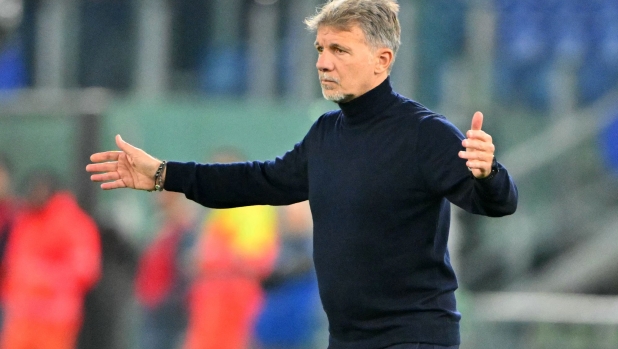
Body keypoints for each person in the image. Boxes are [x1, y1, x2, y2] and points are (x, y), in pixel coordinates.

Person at [86, 1, 518, 348]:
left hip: (414, 338)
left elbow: (498, 203)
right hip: (346, 339)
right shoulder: (326, 133)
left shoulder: (425, 133)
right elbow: (257, 180)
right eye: (320, 49)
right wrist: (164, 174)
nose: (323, 63)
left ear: (382, 60)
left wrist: (488, 173)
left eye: (339, 50)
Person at [182, 148, 279, 349]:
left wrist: (211, 259)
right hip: (210, 303)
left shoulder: (253, 208)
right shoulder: (218, 211)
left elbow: (255, 261)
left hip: (233, 301)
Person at [1, 169, 101, 349]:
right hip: (21, 316)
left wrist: (40, 276)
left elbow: (85, 270)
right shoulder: (26, 220)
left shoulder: (74, 222)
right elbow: (14, 262)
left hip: (55, 319)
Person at [134, 190, 199, 349]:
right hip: (154, 303)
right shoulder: (162, 229)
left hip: (171, 307)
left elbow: (187, 270)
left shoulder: (185, 233)